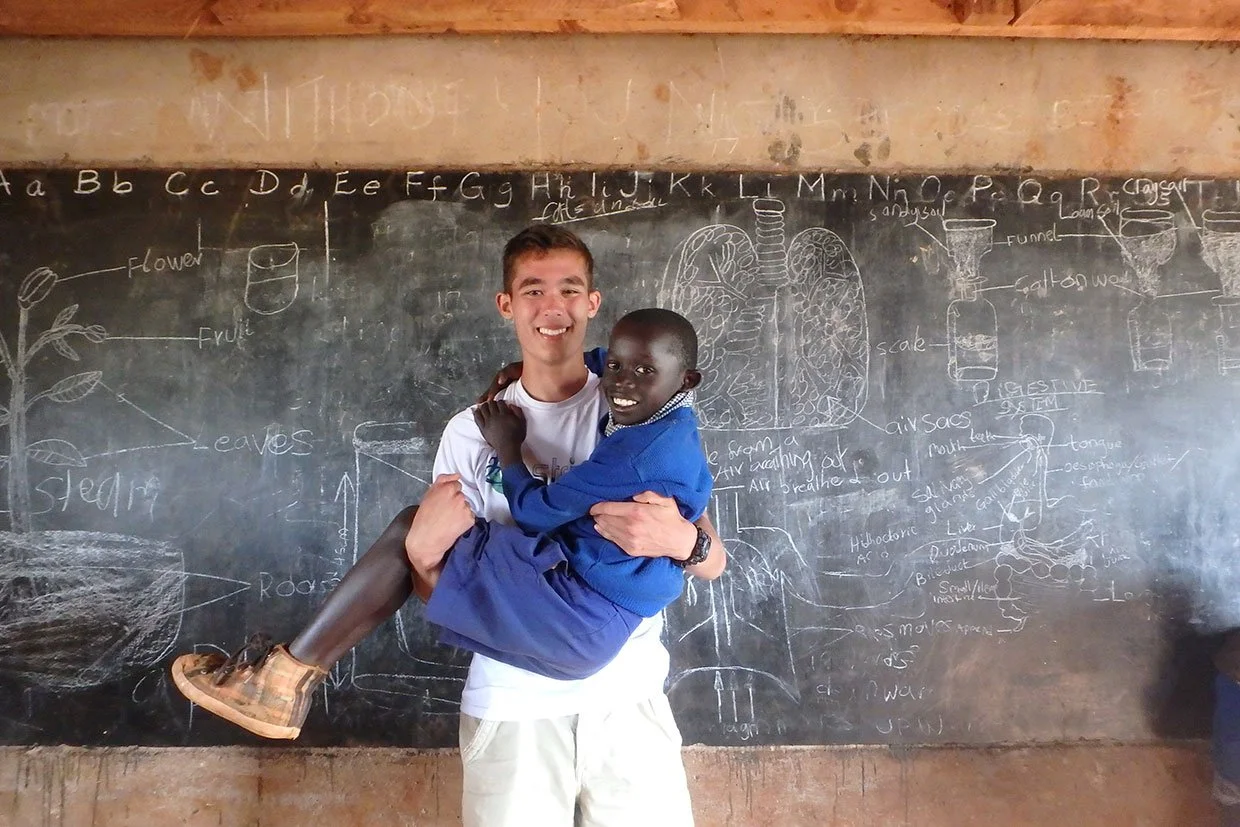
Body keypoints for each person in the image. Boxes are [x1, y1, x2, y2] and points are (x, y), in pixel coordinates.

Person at [172, 224, 725, 825]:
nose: (553, 307)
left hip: (628, 700)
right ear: (506, 305)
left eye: (570, 289)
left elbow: (714, 559)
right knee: (417, 529)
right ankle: (281, 679)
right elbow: (440, 591)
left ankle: (285, 676)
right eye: (533, 290)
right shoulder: (472, 431)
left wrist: (681, 540)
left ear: (592, 304)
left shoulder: (632, 401)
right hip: (513, 706)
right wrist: (422, 555)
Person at [406, 307, 711, 682]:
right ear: (505, 304)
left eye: (568, 291)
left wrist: (508, 447)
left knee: (410, 528)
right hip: (560, 654)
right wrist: (541, 366)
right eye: (615, 366)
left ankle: (310, 659)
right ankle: (309, 663)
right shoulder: (667, 418)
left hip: (586, 624)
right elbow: (614, 359)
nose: (622, 382)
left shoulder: (636, 452)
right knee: (425, 545)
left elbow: (533, 513)